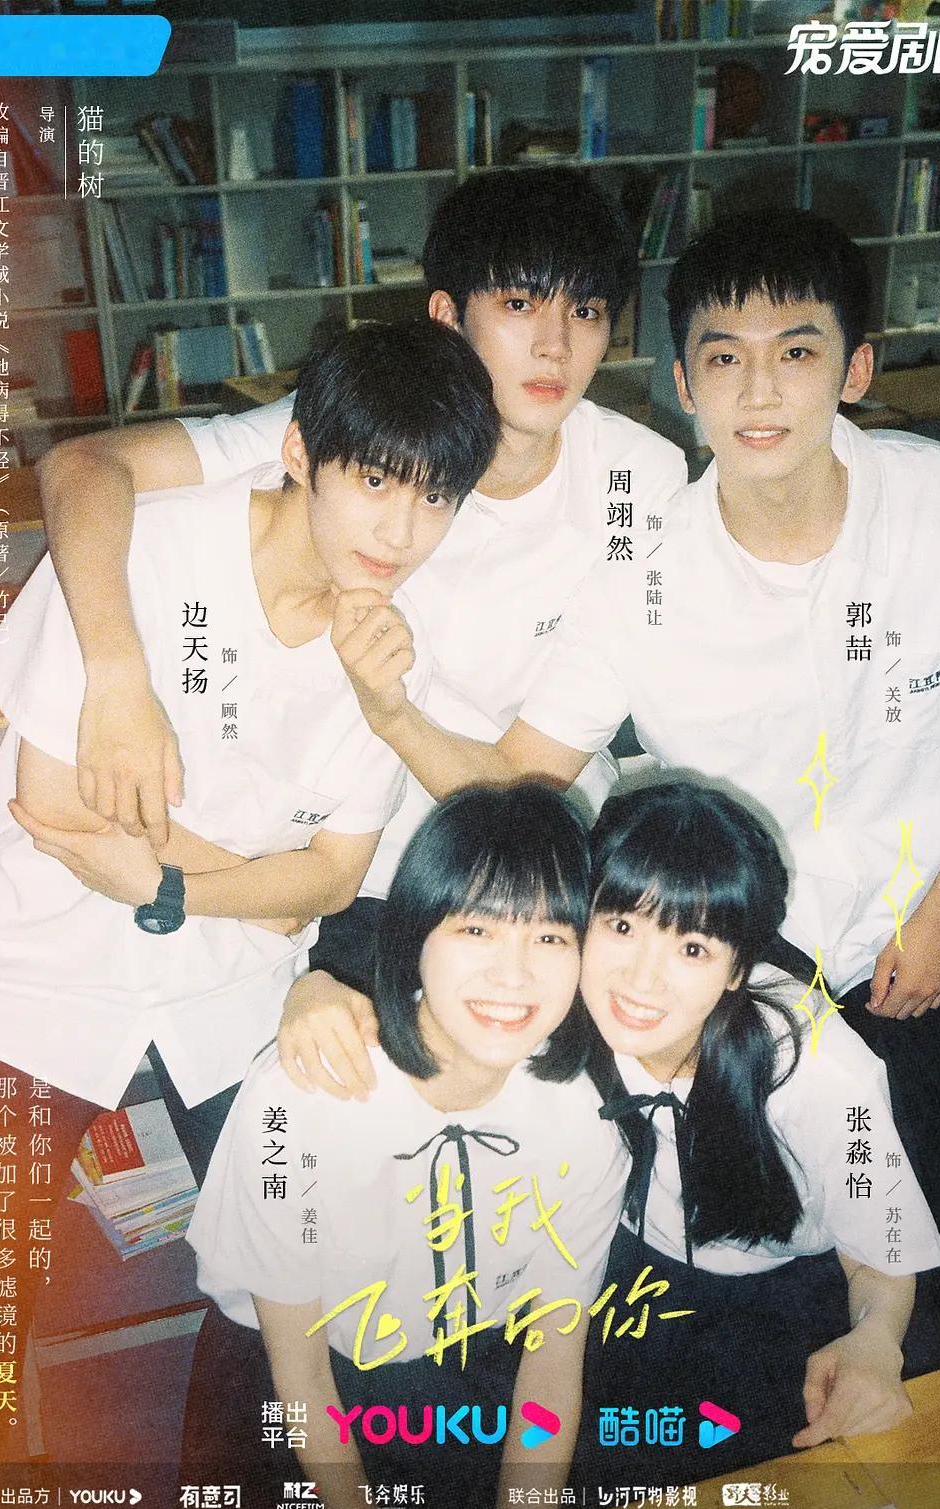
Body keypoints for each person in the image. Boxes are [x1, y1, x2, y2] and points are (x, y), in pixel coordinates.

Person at [329, 209, 940, 1360]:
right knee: (802, 1245)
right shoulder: (639, 573)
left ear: (855, 368)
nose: (760, 392)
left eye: (797, 352)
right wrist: (394, 714)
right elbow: (520, 779)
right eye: (724, 358)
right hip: (764, 961)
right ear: (683, 383)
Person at [0, 318, 498, 1464]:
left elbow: (335, 878)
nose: (400, 532)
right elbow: (54, 807)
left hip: (230, 995)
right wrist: (260, 889)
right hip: (41, 976)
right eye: (374, 482)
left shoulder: (382, 646)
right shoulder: (147, 552)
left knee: (316, 1265)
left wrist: (171, 882)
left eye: (435, 499)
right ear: (299, 453)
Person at [35, 167, 688, 991]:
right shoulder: (367, 423)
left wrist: (392, 715)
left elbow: (524, 787)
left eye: (586, 311)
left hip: (531, 867)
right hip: (351, 870)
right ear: (447, 315)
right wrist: (117, 677)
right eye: (520, 304)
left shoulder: (636, 479)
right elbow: (84, 469)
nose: (555, 345)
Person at [274, 776, 940, 1489]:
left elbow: (883, 1252)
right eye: (622, 927)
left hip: (795, 1306)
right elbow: (436, 971)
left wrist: (875, 1339)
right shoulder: (558, 998)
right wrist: (315, 987)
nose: (642, 980)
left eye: (692, 948)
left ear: (738, 969)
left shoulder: (818, 1070)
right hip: (624, 1284)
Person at [183, 784, 630, 1509]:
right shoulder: (301, 1100)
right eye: (477, 930)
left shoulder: (583, 1118)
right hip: (299, 1392)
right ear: (417, 938)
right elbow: (302, 1376)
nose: (513, 975)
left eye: (550, 937)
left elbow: (553, 1362)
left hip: (473, 1380)